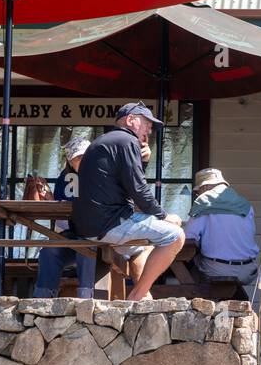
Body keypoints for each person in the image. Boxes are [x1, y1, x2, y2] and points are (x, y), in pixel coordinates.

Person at [72, 102, 185, 301]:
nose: (149, 129)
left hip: (89, 227)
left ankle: (144, 298)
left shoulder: (104, 141)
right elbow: (139, 190)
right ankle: (137, 297)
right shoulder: (126, 142)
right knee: (175, 236)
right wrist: (165, 216)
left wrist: (144, 162)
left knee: (142, 248)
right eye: (147, 123)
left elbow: (124, 185)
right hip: (110, 225)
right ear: (131, 120)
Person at [184, 168, 260, 300]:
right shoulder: (245, 204)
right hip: (248, 270)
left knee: (185, 265)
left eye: (198, 191)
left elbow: (187, 237)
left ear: (206, 186)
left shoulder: (204, 201)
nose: (197, 195)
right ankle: (234, 303)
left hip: (217, 269)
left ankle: (196, 307)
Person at [32, 138, 93, 298]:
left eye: (86, 157)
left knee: (85, 250)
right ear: (70, 161)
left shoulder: (103, 176)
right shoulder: (65, 179)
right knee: (48, 252)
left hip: (99, 237)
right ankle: (42, 300)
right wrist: (51, 202)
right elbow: (61, 216)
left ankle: (86, 300)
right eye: (78, 158)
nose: (83, 161)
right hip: (71, 234)